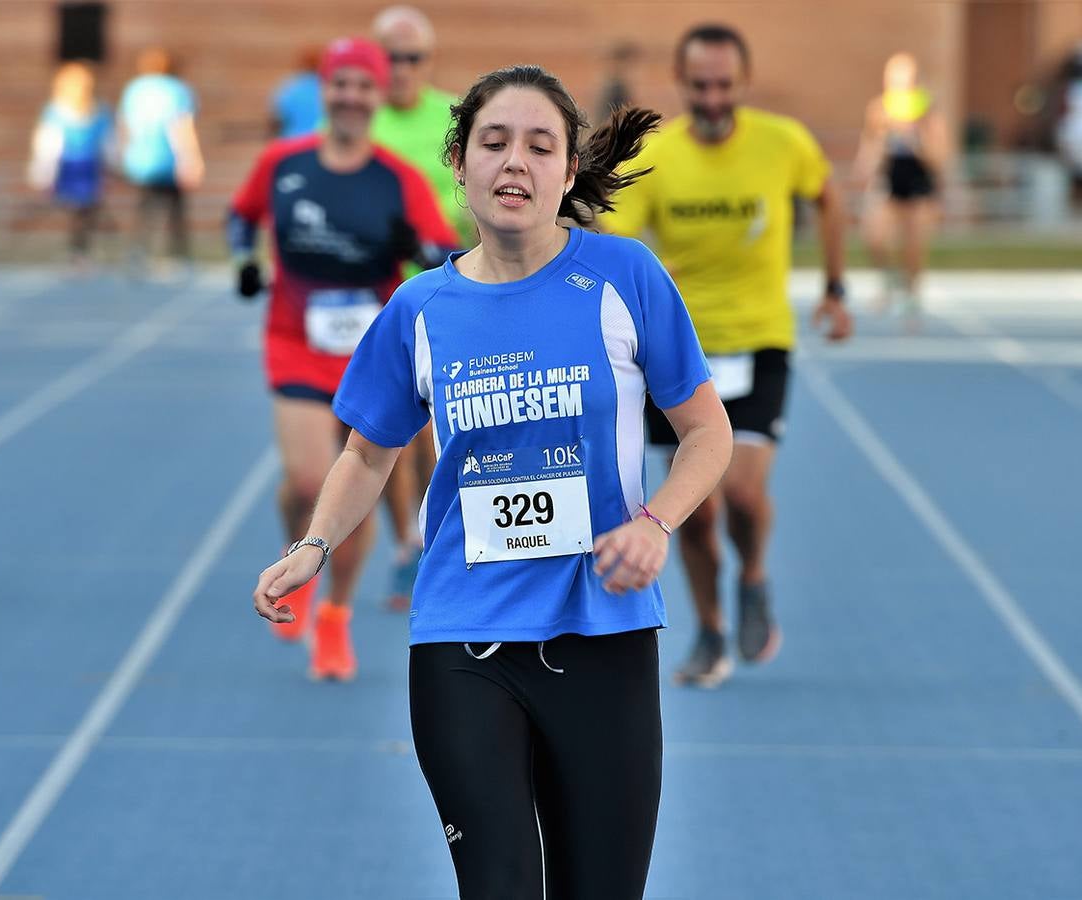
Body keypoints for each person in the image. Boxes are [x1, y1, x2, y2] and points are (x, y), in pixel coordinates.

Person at [253, 64, 732, 898]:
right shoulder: (419, 310)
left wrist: (653, 524)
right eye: (494, 143)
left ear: (567, 171)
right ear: (461, 164)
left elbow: (705, 432)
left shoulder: (624, 279)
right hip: (464, 640)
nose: (516, 162)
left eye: (540, 146)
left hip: (603, 635)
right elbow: (368, 452)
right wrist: (314, 544)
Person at [600, 23, 853, 688]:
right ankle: (710, 629)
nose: (711, 99)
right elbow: (619, 246)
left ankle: (754, 574)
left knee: (740, 494)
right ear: (680, 85)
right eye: (698, 86)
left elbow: (828, 198)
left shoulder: (782, 143)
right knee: (694, 507)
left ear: (741, 83)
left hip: (759, 337)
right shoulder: (657, 157)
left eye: (722, 86)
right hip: (679, 355)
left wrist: (833, 289)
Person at [230, 38, 458, 681]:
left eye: (364, 85)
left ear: (378, 94)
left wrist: (420, 247)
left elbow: (443, 251)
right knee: (307, 482)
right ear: (324, 92)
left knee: (352, 486)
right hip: (296, 340)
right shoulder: (282, 163)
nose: (352, 96)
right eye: (341, 84)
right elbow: (240, 218)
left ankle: (333, 616)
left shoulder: (397, 177)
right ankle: (294, 548)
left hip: (373, 349)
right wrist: (244, 262)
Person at [369, 5, 464, 610]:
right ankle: (406, 544)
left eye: (412, 58)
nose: (400, 69)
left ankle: (434, 539)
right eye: (389, 57)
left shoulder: (454, 118)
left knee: (435, 434)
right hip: (373, 302)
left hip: (443, 291)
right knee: (382, 434)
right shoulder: (358, 121)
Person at [852, 52, 950, 329]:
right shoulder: (879, 109)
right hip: (889, 182)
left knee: (914, 245)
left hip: (919, 184)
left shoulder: (928, 112)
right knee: (874, 236)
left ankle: (912, 297)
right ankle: (887, 280)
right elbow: (869, 147)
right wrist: (868, 163)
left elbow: (940, 157)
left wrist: (915, 139)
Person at [118, 47, 203, 275]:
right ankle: (179, 255)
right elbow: (182, 126)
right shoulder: (178, 90)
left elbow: (125, 124)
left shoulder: (135, 89)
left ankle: (138, 251)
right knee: (175, 208)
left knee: (144, 208)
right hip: (169, 157)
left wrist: (124, 153)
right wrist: (192, 159)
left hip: (141, 157)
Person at [26, 61, 114, 268]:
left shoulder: (59, 112)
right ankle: (80, 251)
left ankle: (77, 251)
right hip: (84, 166)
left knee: (80, 210)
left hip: (73, 166)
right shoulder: (96, 110)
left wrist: (43, 170)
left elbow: (48, 144)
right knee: (84, 210)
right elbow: (108, 142)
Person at [271, 45, 323, 138]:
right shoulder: (326, 87)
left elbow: (276, 120)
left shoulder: (289, 87)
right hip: (318, 142)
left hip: (291, 143)